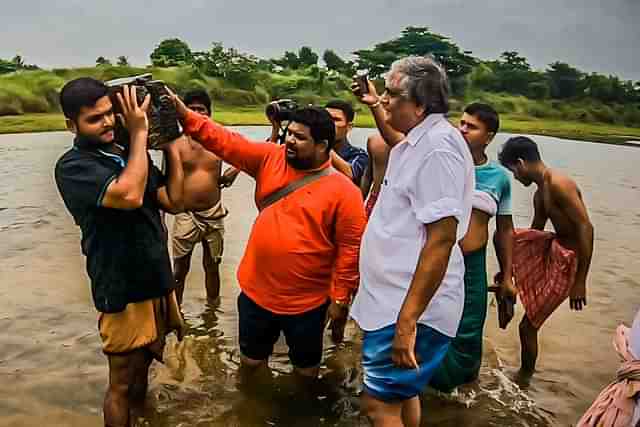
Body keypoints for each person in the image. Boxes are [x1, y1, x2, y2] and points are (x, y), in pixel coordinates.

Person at [169, 94, 367, 381]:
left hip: (308, 304)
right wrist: (185, 115)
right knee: (250, 366)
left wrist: (340, 300)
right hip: (255, 295)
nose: (289, 140)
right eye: (289, 134)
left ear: (323, 146)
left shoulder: (345, 192)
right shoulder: (268, 158)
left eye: (300, 137)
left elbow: (351, 250)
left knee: (305, 374)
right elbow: (225, 140)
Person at [350, 56, 474, 427]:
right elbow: (395, 135)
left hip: (408, 307)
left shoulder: (438, 150)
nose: (384, 100)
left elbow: (441, 240)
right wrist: (374, 103)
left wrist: (407, 321)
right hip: (395, 301)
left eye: (391, 94)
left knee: (377, 405)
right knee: (403, 395)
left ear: (419, 105)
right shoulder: (419, 140)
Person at [54, 78, 186, 427]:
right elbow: (127, 195)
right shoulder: (74, 166)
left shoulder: (126, 154)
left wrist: (170, 144)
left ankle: (143, 420)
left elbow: (174, 200)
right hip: (121, 285)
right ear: (71, 125)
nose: (109, 122)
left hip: (154, 276)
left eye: (111, 113)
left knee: (144, 366)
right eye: (94, 119)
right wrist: (140, 134)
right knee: (121, 384)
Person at [429, 103, 516, 392]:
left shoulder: (499, 177)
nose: (462, 130)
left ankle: (464, 390)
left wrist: (507, 277)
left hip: (472, 267)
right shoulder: (441, 164)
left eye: (472, 127)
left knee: (468, 330)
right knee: (427, 321)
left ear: (489, 136)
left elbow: (504, 231)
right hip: (434, 259)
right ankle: (422, 388)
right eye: (461, 123)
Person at [498, 135, 594, 381]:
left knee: (527, 327)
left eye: (513, 171)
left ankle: (524, 379)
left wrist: (580, 281)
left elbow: (586, 228)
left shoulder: (560, 183)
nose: (516, 178)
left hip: (569, 261)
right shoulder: (540, 194)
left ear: (520, 163)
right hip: (554, 249)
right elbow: (534, 235)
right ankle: (506, 288)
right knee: (509, 235)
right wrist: (510, 272)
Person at [170, 89, 231, 306]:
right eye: (191, 109)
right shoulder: (174, 144)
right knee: (179, 269)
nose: (196, 113)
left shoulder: (219, 140)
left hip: (213, 213)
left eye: (201, 110)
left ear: (209, 114)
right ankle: (175, 315)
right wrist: (160, 219)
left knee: (212, 265)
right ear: (183, 112)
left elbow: (245, 157)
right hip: (185, 214)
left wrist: (235, 171)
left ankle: (212, 313)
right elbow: (163, 183)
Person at [324, 100, 368, 185]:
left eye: (336, 120)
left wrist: (323, 146)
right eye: (326, 118)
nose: (329, 123)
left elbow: (350, 174)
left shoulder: (359, 155)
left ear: (349, 126)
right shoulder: (312, 152)